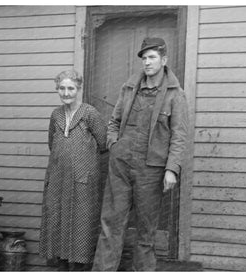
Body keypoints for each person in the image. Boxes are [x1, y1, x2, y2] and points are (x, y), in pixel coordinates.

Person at [92, 37, 189, 271]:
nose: (147, 62)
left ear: (163, 60)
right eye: (144, 58)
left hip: (151, 170)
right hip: (121, 165)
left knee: (146, 230)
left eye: (152, 57)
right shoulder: (129, 88)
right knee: (110, 225)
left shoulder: (176, 95)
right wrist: (114, 145)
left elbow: (179, 135)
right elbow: (114, 122)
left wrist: (171, 169)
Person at [39, 70, 107, 271]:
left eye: (70, 88)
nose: (66, 92)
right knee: (57, 219)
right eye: (62, 88)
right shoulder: (56, 115)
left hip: (83, 179)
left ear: (78, 89)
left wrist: (83, 164)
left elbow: (103, 143)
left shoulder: (90, 113)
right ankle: (60, 265)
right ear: (57, 89)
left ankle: (79, 268)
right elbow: (53, 144)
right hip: (58, 178)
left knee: (81, 222)